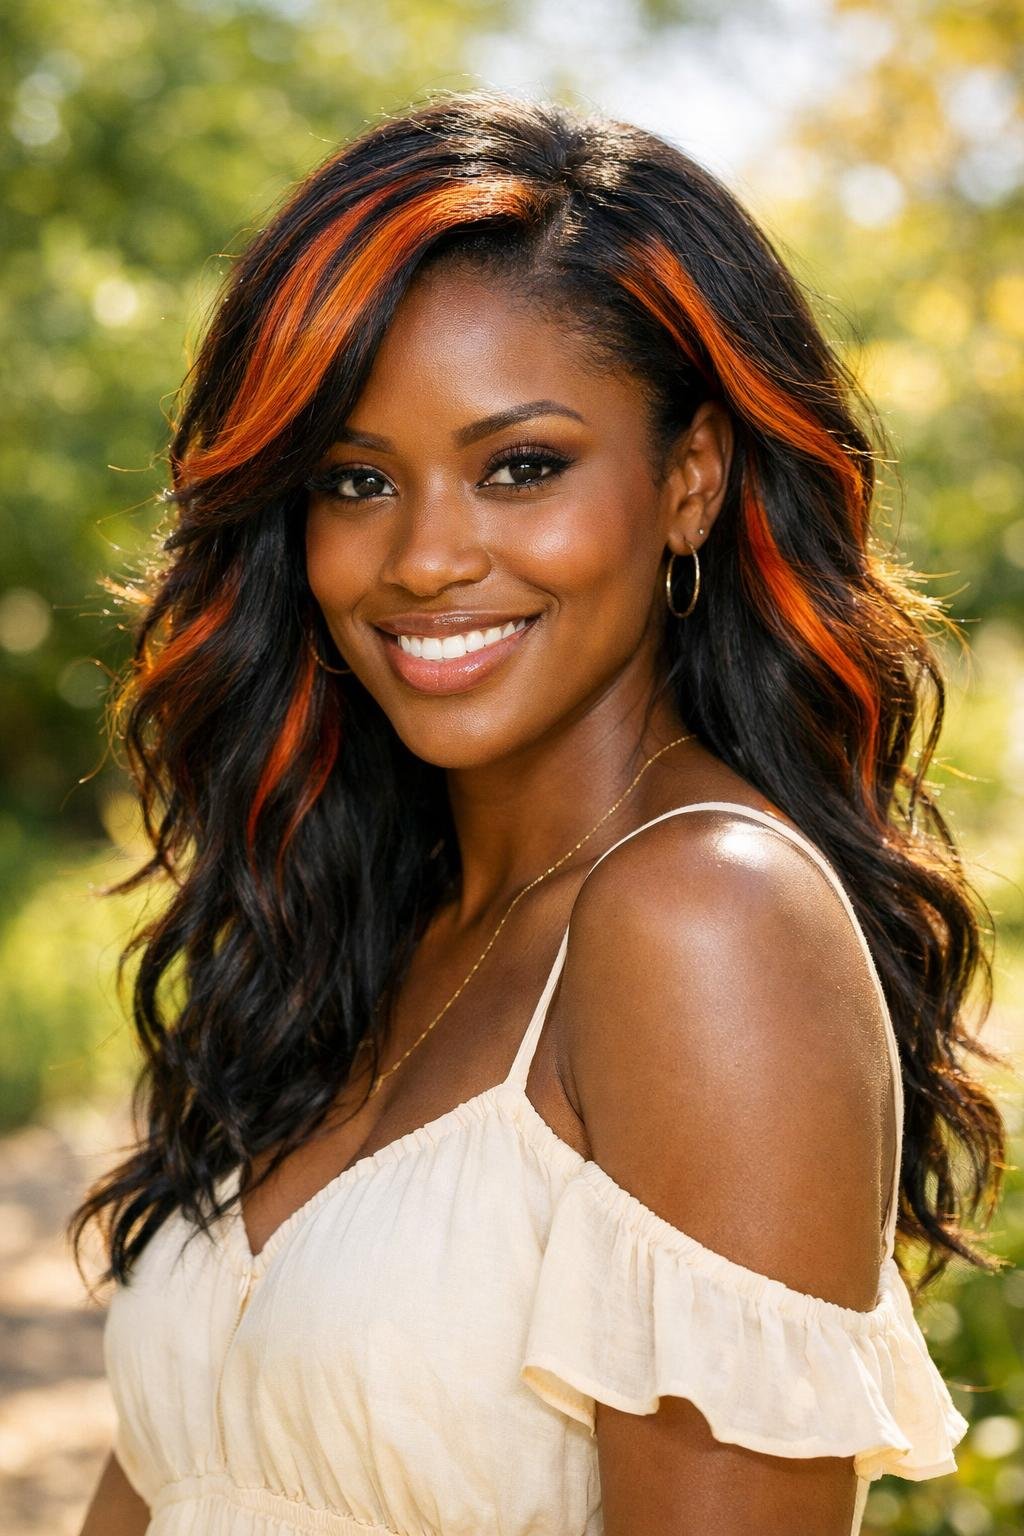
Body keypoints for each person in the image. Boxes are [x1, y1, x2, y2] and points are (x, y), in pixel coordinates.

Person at [73, 89, 1007, 1536]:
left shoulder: (708, 914)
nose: (427, 557)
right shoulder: (349, 921)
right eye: (356, 480)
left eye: (523, 466)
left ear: (688, 480)